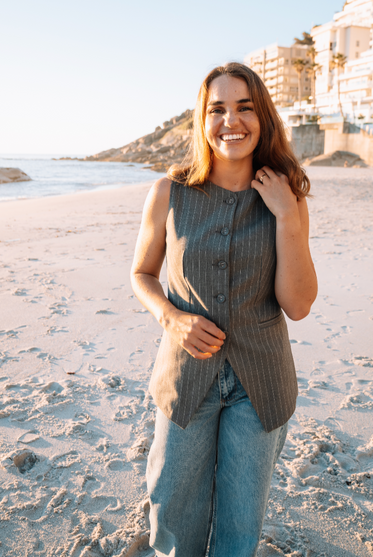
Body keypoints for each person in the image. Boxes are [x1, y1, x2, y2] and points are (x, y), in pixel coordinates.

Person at [130, 62, 318, 557]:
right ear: (202, 118)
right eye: (218, 109)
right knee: (171, 509)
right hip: (184, 375)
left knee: (239, 524)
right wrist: (172, 318)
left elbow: (297, 305)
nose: (231, 121)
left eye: (245, 108)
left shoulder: (287, 195)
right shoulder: (168, 192)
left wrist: (286, 217)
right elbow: (141, 274)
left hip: (261, 384)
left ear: (264, 118)